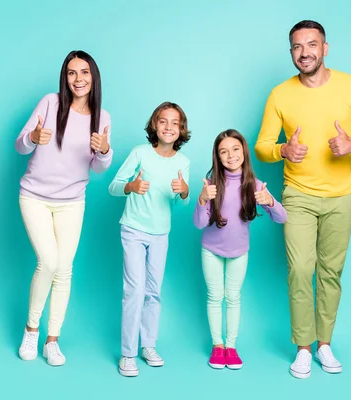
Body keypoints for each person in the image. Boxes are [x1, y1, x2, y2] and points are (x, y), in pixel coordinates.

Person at [254, 20, 351, 379]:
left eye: (312, 45)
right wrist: (283, 149)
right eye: (297, 47)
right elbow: (261, 147)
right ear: (291, 53)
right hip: (297, 194)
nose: (305, 53)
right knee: (300, 270)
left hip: (342, 196)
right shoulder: (280, 94)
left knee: (330, 272)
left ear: (325, 48)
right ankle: (303, 347)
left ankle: (325, 344)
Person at [15, 50, 113, 366]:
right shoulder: (50, 103)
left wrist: (105, 151)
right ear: (65, 77)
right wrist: (32, 137)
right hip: (35, 196)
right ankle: (31, 329)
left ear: (93, 77)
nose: (78, 78)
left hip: (72, 201)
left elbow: (98, 169)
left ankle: (52, 340)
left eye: (84, 72)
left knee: (65, 269)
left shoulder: (103, 117)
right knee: (49, 260)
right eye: (72, 73)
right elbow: (20, 145)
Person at [108, 101, 191, 377]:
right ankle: (128, 353)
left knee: (153, 292)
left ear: (181, 130)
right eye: (163, 121)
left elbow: (179, 204)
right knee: (134, 290)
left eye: (175, 123)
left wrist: (183, 191)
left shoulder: (183, 162)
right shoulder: (140, 153)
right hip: (133, 230)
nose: (169, 127)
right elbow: (113, 187)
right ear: (155, 125)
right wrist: (131, 186)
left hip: (161, 235)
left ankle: (149, 346)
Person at [194, 129, 287, 370]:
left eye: (235, 149)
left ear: (244, 152)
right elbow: (199, 223)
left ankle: (231, 346)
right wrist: (203, 199)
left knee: (233, 297)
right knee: (215, 297)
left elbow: (282, 217)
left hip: (239, 252)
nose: (230, 155)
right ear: (217, 156)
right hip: (211, 250)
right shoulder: (212, 184)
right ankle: (218, 346)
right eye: (223, 151)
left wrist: (270, 202)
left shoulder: (255, 185)